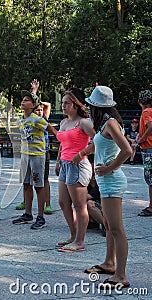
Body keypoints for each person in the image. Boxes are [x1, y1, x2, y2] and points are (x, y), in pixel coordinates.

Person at [84, 85, 132, 289]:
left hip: (112, 181)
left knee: (116, 229)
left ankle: (121, 275)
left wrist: (110, 168)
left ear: (97, 107)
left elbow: (127, 150)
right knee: (111, 227)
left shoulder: (110, 123)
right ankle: (109, 263)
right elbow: (102, 145)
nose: (88, 109)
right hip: (107, 181)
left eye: (90, 106)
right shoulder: (107, 123)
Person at [55, 88, 95, 252]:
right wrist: (58, 161)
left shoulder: (84, 123)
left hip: (78, 165)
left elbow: (99, 142)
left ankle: (80, 241)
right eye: (62, 103)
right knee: (63, 202)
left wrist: (83, 153)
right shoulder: (64, 122)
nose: (63, 106)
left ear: (76, 105)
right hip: (65, 164)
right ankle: (73, 236)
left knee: (79, 205)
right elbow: (62, 143)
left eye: (67, 103)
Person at [12, 90, 57, 229]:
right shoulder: (22, 120)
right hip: (25, 155)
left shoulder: (37, 119)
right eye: (23, 99)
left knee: (38, 185)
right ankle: (28, 213)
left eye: (26, 100)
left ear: (33, 105)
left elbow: (52, 131)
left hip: (37, 156)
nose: (23, 102)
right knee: (26, 184)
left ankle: (41, 216)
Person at [136, 90, 152, 217]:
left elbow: (150, 126)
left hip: (149, 148)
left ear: (139, 101)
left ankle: (151, 207)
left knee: (150, 178)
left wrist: (142, 139)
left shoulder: (146, 112)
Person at [86, 170, 105, 235]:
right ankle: (92, 222)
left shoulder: (99, 185)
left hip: (103, 207)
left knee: (89, 203)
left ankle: (105, 225)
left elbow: (85, 197)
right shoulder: (87, 185)